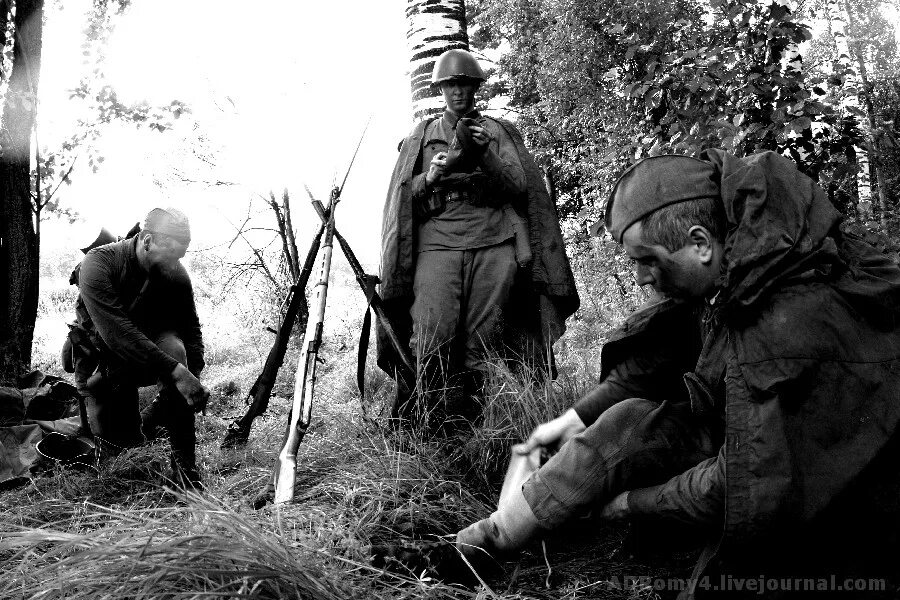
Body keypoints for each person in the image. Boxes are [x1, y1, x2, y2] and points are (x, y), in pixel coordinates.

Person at [454, 150, 900, 593]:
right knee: (631, 419)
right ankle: (492, 536)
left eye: (647, 261)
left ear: (700, 243)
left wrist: (632, 504)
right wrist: (569, 421)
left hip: (836, 491)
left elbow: (741, 480)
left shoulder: (790, 320)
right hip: (750, 441)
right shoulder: (741, 268)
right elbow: (656, 359)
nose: (643, 278)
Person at [378, 49, 579, 431]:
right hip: (437, 245)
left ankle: (474, 426)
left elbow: (519, 188)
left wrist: (485, 152)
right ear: (441, 89)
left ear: (475, 87)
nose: (459, 92)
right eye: (451, 84)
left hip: (494, 243)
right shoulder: (421, 136)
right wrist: (430, 179)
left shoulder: (497, 132)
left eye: (465, 84)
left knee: (482, 338)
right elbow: (403, 199)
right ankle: (429, 422)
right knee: (433, 331)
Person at [71, 207, 209, 487]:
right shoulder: (98, 265)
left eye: (179, 257)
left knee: (176, 350)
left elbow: (190, 328)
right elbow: (117, 334)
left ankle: (185, 472)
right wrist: (178, 374)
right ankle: (147, 420)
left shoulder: (175, 271)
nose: (174, 265)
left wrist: (192, 375)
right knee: (124, 458)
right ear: (146, 240)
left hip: (150, 354)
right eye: (169, 255)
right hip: (107, 362)